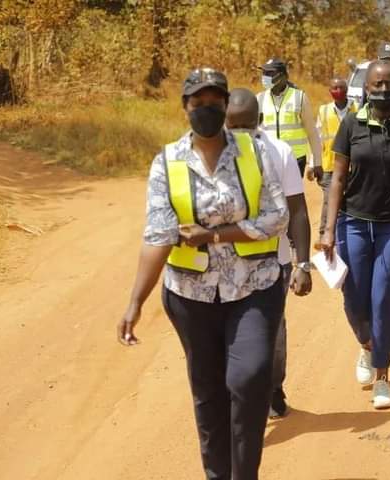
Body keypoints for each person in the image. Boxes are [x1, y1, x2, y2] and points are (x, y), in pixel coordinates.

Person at [116, 68, 289, 480]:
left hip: (254, 286)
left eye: (215, 102)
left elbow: (276, 217)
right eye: (198, 102)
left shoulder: (255, 152)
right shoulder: (167, 163)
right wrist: (135, 301)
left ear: (227, 105)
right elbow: (158, 235)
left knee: (248, 380)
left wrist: (214, 235)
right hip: (191, 295)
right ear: (185, 107)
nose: (207, 109)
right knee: (208, 392)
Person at [319, 60, 390, 409]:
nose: (383, 89)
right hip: (352, 223)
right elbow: (337, 178)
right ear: (365, 88)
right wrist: (328, 228)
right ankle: (366, 346)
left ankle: (382, 376)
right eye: (376, 84)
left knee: (383, 302)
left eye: (389, 83)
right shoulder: (351, 122)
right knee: (354, 300)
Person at [226, 88, 313, 419]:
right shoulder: (210, 154)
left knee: (271, 334)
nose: (239, 134)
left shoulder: (279, 152)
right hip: (224, 266)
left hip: (272, 263)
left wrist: (303, 263)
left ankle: (273, 388)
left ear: (259, 122)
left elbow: (298, 209)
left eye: (246, 126)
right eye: (232, 127)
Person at [257, 57, 323, 181]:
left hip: (295, 160)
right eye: (264, 73)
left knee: (292, 198)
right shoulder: (259, 99)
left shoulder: (299, 97)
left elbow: (312, 133)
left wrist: (317, 162)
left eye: (269, 73)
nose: (264, 76)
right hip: (269, 159)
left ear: (282, 76)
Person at [314, 77, 357, 236]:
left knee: (350, 200)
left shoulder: (357, 109)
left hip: (353, 166)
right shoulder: (323, 111)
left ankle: (346, 231)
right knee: (328, 200)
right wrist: (314, 163)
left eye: (340, 87)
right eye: (334, 88)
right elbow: (318, 138)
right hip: (329, 165)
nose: (337, 91)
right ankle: (323, 234)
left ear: (347, 90)